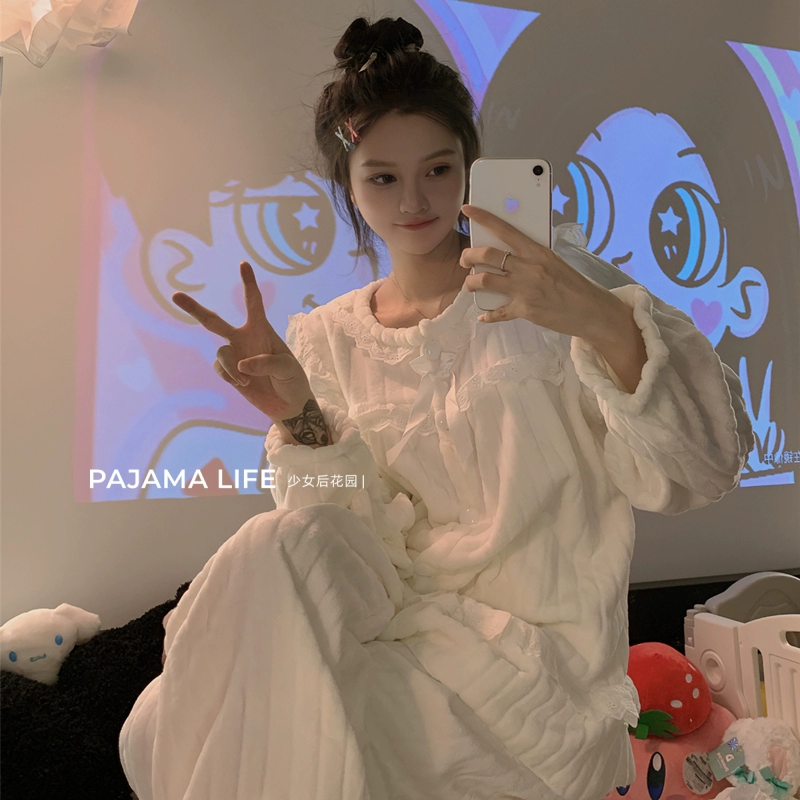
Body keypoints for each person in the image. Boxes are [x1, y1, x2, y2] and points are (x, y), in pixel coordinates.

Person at [118, 16, 754, 800]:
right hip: (394, 630)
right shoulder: (326, 338)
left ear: (470, 167)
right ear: (348, 185)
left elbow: (701, 468)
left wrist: (598, 317)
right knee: (209, 642)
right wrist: (301, 414)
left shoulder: (551, 287)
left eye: (438, 169)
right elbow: (349, 547)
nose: (415, 200)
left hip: (535, 682)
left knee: (211, 727)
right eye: (383, 178)